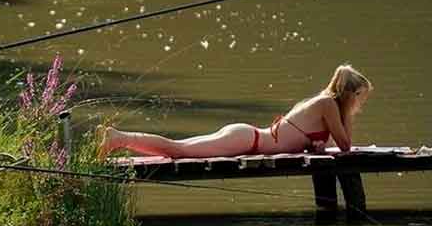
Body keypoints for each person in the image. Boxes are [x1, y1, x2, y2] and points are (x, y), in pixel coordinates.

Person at [98, 65, 372, 158]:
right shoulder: (328, 104)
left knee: (178, 148)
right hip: (247, 139)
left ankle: (119, 138)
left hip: (246, 136)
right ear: (350, 94)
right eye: (360, 98)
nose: (361, 105)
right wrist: (348, 112)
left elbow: (309, 140)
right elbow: (346, 146)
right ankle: (118, 138)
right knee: (176, 150)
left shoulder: (323, 104)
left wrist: (315, 145)